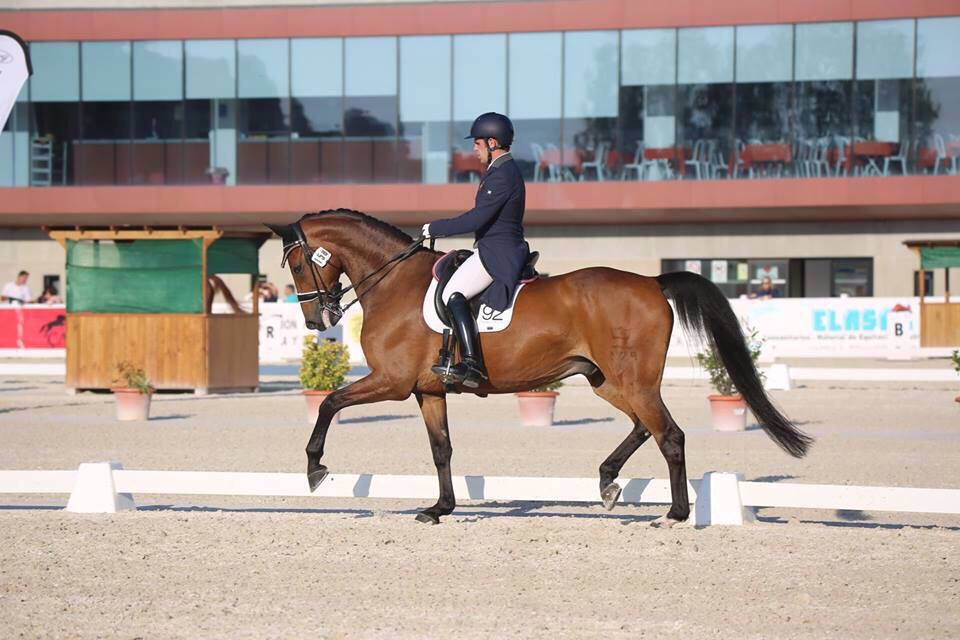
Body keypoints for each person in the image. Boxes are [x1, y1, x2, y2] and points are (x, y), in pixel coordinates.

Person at [421, 112, 530, 388]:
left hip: (497, 252)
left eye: (478, 143)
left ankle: (472, 364)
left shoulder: (502, 173)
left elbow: (477, 218)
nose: (474, 149)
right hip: (496, 246)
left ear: (493, 143)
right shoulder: (500, 170)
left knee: (451, 294)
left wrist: (436, 228)